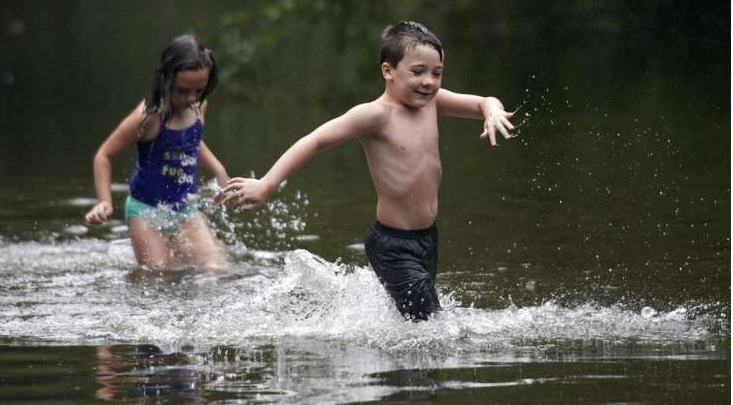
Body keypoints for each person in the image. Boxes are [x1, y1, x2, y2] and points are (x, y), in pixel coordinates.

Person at [218, 21, 515, 321]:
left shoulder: (432, 103)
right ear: (388, 71)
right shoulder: (375, 115)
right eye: (417, 72)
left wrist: (492, 112)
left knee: (418, 324)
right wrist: (267, 184)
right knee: (432, 324)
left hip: (427, 239)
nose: (428, 82)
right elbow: (315, 140)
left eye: (436, 73)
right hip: (392, 245)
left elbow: (483, 102)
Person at [85, 34, 229, 270]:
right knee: (158, 276)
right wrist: (104, 201)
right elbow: (104, 155)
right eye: (183, 90)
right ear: (166, 79)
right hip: (146, 212)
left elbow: (190, 142)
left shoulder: (198, 105)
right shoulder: (149, 117)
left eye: (199, 90)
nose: (191, 98)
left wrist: (218, 169)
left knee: (215, 268)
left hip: (184, 209)